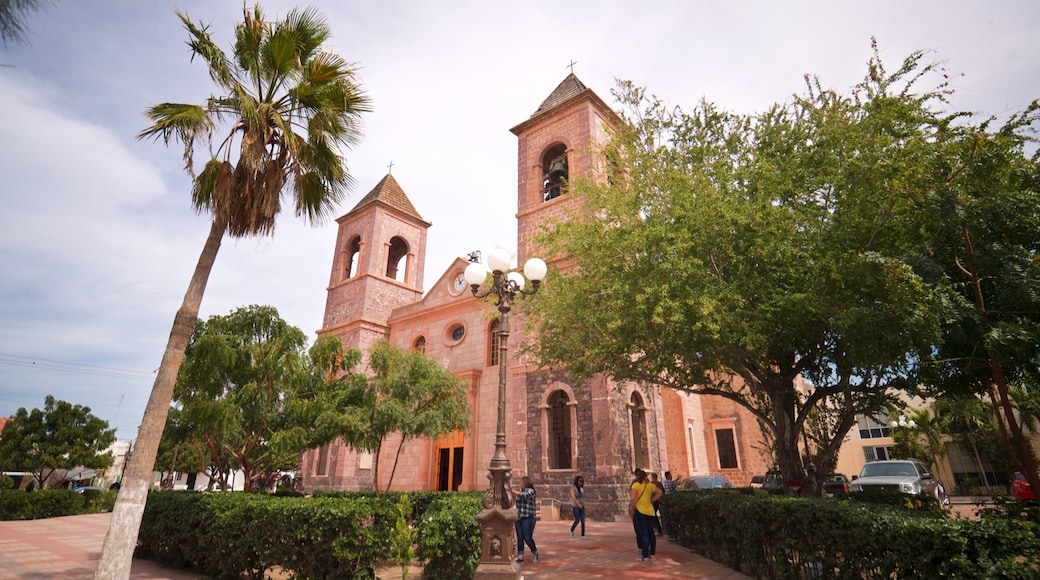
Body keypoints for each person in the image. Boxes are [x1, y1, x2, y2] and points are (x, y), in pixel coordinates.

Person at [629, 468, 663, 561]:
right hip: (650, 510)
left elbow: (632, 498)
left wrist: (631, 508)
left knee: (643, 533)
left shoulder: (636, 485)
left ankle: (645, 555)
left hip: (640, 510)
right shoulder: (650, 485)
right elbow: (660, 492)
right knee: (651, 532)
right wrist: (651, 500)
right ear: (645, 476)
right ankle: (652, 553)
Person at [513, 476, 539, 563]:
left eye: (521, 483)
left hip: (529, 518)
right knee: (519, 537)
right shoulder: (521, 492)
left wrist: (511, 491)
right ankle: (520, 557)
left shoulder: (531, 491)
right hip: (519, 518)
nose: (520, 484)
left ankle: (535, 552)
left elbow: (524, 496)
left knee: (527, 537)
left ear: (526, 483)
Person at [569, 475, 587, 539]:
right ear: (577, 481)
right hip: (575, 506)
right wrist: (578, 503)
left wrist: (582, 503)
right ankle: (571, 530)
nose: (581, 482)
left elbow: (582, 496)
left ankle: (583, 535)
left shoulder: (581, 488)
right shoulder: (573, 488)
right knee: (577, 520)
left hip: (582, 505)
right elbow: (573, 497)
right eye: (580, 481)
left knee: (583, 520)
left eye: (582, 481)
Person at [650, 472, 664, 536]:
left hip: (656, 501)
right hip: (657, 501)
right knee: (655, 516)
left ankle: (659, 530)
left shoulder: (651, 484)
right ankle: (658, 529)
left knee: (655, 516)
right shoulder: (658, 484)